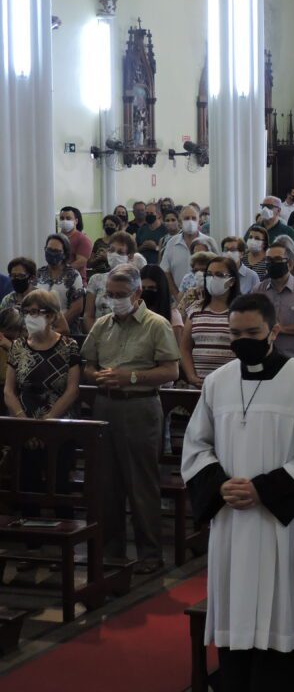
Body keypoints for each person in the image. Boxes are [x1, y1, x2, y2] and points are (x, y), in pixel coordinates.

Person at [181, 293, 294, 690]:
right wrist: (220, 484)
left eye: (252, 332)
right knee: (236, 620)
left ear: (274, 331)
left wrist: (264, 489)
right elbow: (196, 445)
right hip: (233, 519)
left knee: (280, 624)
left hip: (282, 523)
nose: (242, 339)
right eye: (235, 333)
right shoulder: (217, 382)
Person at [81, 264, 180, 573]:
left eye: (120, 295)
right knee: (107, 482)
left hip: (140, 406)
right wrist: (97, 376)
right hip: (105, 405)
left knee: (140, 482)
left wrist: (131, 377)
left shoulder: (155, 324)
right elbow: (87, 364)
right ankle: (112, 551)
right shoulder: (102, 325)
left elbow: (170, 371)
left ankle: (150, 554)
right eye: (109, 294)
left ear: (137, 293)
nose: (114, 300)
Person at [4, 289, 81, 528]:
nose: (30, 317)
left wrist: (47, 422)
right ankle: (32, 546)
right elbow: (9, 390)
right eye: (26, 312)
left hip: (58, 424)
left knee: (59, 485)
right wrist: (25, 423)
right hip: (25, 425)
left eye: (36, 312)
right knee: (27, 485)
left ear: (51, 316)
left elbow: (72, 390)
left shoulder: (68, 346)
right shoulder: (18, 346)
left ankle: (64, 546)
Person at [252, 242, 294, 365]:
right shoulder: (258, 290)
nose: (272, 264)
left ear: (289, 264)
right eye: (268, 260)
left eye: (277, 260)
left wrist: (282, 329)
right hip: (265, 359)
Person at [179, 256, 240, 386]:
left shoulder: (241, 311)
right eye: (209, 274)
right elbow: (184, 347)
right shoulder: (195, 309)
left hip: (231, 384)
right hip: (199, 384)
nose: (212, 278)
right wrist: (191, 376)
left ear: (232, 281)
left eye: (219, 274)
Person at [84, 232, 146, 332]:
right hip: (99, 334)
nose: (114, 255)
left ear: (130, 256)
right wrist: (95, 337)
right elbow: (88, 315)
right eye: (111, 250)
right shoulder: (95, 279)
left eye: (120, 252)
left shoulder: (136, 282)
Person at [38, 234, 85, 333]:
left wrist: (55, 327)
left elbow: (77, 308)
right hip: (39, 329)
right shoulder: (39, 274)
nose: (51, 253)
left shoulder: (73, 275)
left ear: (64, 254)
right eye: (49, 249)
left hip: (66, 330)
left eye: (56, 251)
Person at [140, 264, 184, 345]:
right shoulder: (133, 313)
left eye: (151, 288)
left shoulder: (173, 317)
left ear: (161, 288)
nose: (146, 292)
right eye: (143, 288)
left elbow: (176, 350)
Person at [57, 205, 92, 281]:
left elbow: (80, 262)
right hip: (56, 279)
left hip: (75, 281)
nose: (64, 221)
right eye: (62, 218)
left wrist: (60, 272)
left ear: (76, 221)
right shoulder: (56, 238)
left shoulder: (83, 239)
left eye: (68, 218)